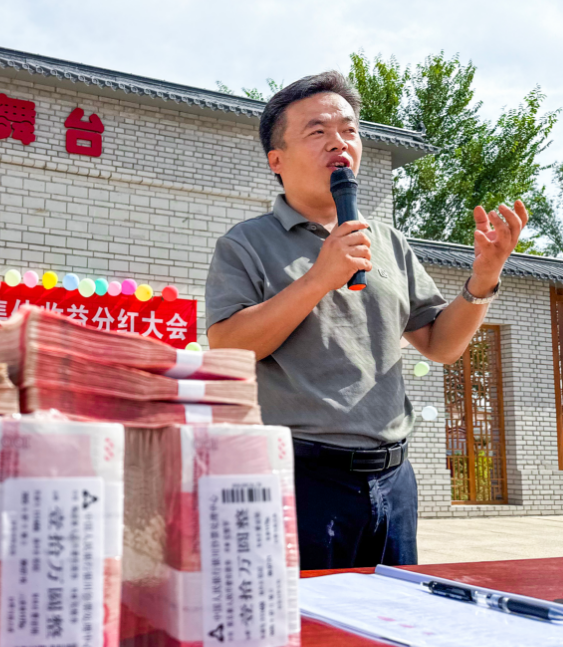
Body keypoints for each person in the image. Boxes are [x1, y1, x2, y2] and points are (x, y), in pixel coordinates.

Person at [205, 71, 525, 570]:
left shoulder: (389, 241)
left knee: (393, 614)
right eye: (318, 131)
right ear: (277, 160)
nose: (339, 142)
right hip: (300, 478)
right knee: (313, 617)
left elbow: (441, 345)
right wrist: (319, 278)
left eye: (349, 130)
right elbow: (229, 347)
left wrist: (483, 279)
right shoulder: (245, 243)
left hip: (393, 480)